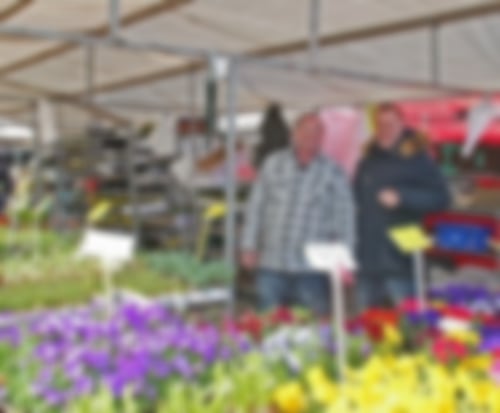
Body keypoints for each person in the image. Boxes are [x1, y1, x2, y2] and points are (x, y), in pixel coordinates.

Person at [241, 112, 355, 316]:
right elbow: (256, 207)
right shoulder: (273, 163)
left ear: (323, 137)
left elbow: (345, 219)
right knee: (268, 323)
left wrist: (344, 261)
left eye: (317, 132)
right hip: (272, 264)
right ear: (294, 133)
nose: (311, 136)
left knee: (313, 326)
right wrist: (249, 246)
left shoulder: (333, 171)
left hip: (311, 269)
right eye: (306, 131)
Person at [354, 103, 450, 309]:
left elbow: (441, 198)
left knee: (409, 321)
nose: (385, 129)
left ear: (401, 125)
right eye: (381, 124)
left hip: (401, 261)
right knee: (365, 321)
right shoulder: (368, 160)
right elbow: (355, 201)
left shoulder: (417, 158)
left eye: (390, 124)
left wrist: (403, 197)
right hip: (368, 262)